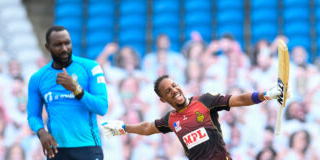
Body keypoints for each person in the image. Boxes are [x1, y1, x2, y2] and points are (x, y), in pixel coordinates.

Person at [102, 74, 290, 160]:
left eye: (174, 85)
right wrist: (123, 128)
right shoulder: (171, 119)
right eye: (168, 91)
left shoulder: (205, 101)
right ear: (162, 99)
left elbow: (239, 99)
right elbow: (147, 128)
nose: (174, 90)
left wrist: (266, 94)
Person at [27, 26, 108, 160]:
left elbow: (102, 107)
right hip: (57, 150)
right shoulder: (38, 78)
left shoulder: (90, 67)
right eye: (58, 45)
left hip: (87, 148)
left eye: (67, 43)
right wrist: (41, 132)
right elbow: (33, 115)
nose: (64, 48)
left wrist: (76, 89)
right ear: (48, 47)